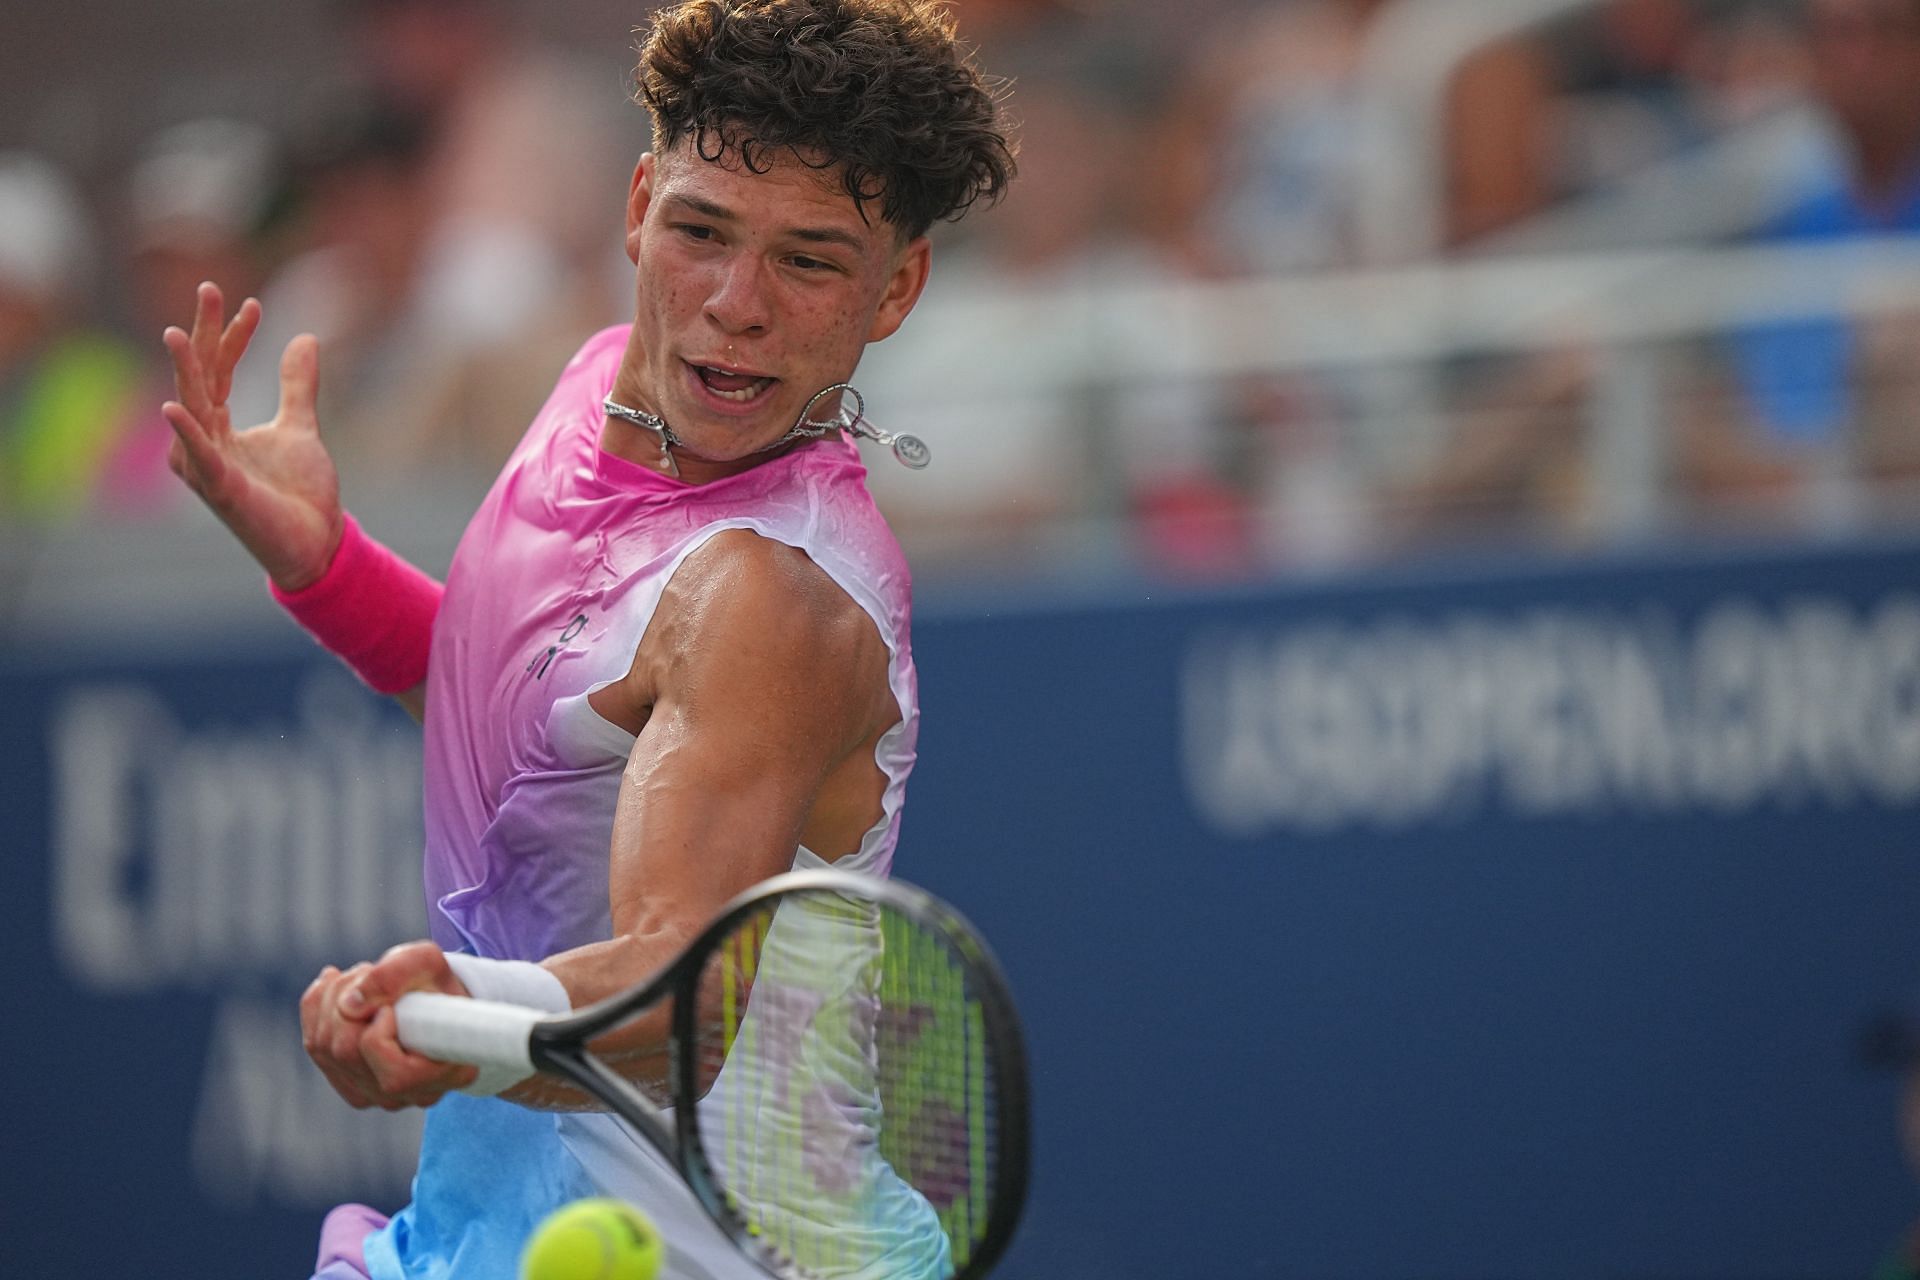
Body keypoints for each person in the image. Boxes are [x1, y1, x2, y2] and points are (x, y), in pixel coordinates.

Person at [157, 1, 1014, 1276]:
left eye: (812, 261)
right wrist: (327, 568)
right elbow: (534, 734)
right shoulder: (594, 380)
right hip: (490, 1226)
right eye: (702, 231)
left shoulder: (770, 598)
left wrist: (460, 1011)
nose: (735, 304)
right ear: (636, 205)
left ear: (897, 285)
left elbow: (688, 992)